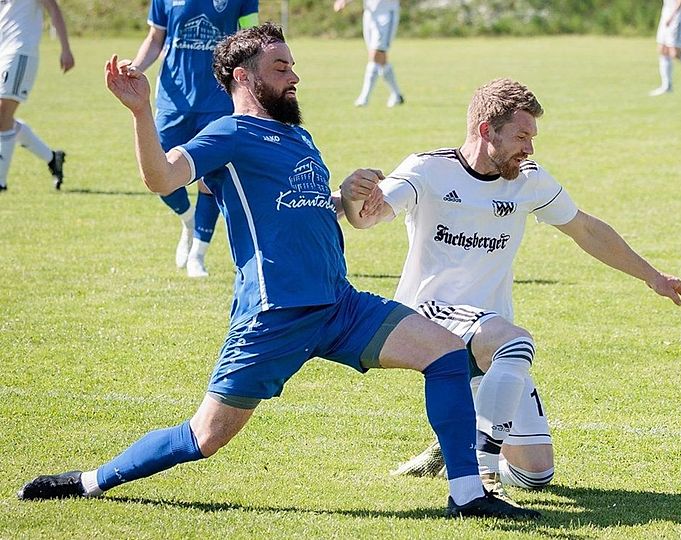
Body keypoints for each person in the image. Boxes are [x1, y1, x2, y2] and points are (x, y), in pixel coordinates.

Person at [16, 24, 538, 520]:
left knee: (445, 352)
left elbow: (305, 207)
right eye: (281, 67)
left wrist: (344, 195)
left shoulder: (298, 137)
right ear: (243, 76)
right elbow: (163, 178)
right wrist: (140, 112)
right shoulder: (229, 134)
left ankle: (467, 494)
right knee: (204, 437)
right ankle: (89, 481)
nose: (295, 77)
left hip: (339, 304)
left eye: (292, 66)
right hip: (275, 315)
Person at [339, 78, 681, 496]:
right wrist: (350, 198)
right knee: (516, 343)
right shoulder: (428, 170)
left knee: (536, 475)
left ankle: (454, 448)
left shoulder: (528, 179)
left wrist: (653, 276)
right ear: (487, 130)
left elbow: (585, 228)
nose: (530, 148)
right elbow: (367, 216)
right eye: (522, 136)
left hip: (489, 334)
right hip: (431, 316)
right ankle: (480, 469)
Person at [128, 0, 259, 277]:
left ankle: (198, 255)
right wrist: (136, 68)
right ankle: (188, 219)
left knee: (209, 181)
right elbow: (155, 38)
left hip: (218, 100)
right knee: (157, 173)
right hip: (172, 101)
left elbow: (251, 37)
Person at [0, 0, 72, 192]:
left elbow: (53, 9)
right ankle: (52, 158)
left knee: (3, 115)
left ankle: (1, 181)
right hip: (3, 52)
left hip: (20, 52)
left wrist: (65, 49)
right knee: (4, 119)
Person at [333, 0, 404, 107]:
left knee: (375, 54)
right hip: (370, 13)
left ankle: (364, 98)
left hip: (386, 12)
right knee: (381, 58)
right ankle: (396, 95)